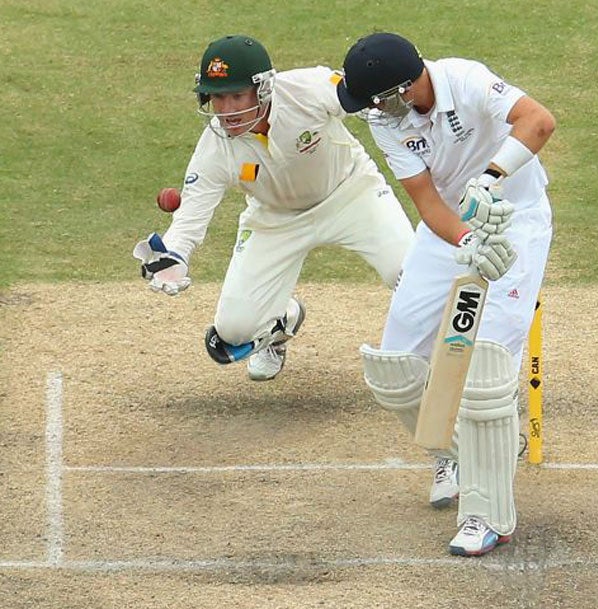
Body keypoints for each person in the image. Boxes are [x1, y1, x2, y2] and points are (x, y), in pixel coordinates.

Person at [336, 32, 555, 556]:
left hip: (515, 220)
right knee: (393, 369)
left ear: (407, 86)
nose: (374, 112)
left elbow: (539, 121)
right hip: (451, 231)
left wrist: (492, 177)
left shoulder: (466, 79)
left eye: (379, 100)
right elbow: (429, 205)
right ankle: (457, 452)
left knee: (485, 371)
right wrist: (467, 240)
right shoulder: (385, 120)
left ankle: (487, 516)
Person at [133, 34, 414, 381]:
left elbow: (357, 90)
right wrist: (173, 258)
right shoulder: (214, 148)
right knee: (232, 334)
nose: (227, 110)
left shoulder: (306, 89)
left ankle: (430, 354)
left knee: (411, 273)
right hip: (275, 219)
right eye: (218, 98)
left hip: (352, 193)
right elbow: (190, 217)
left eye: (236, 96)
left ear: (263, 89)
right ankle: (281, 323)